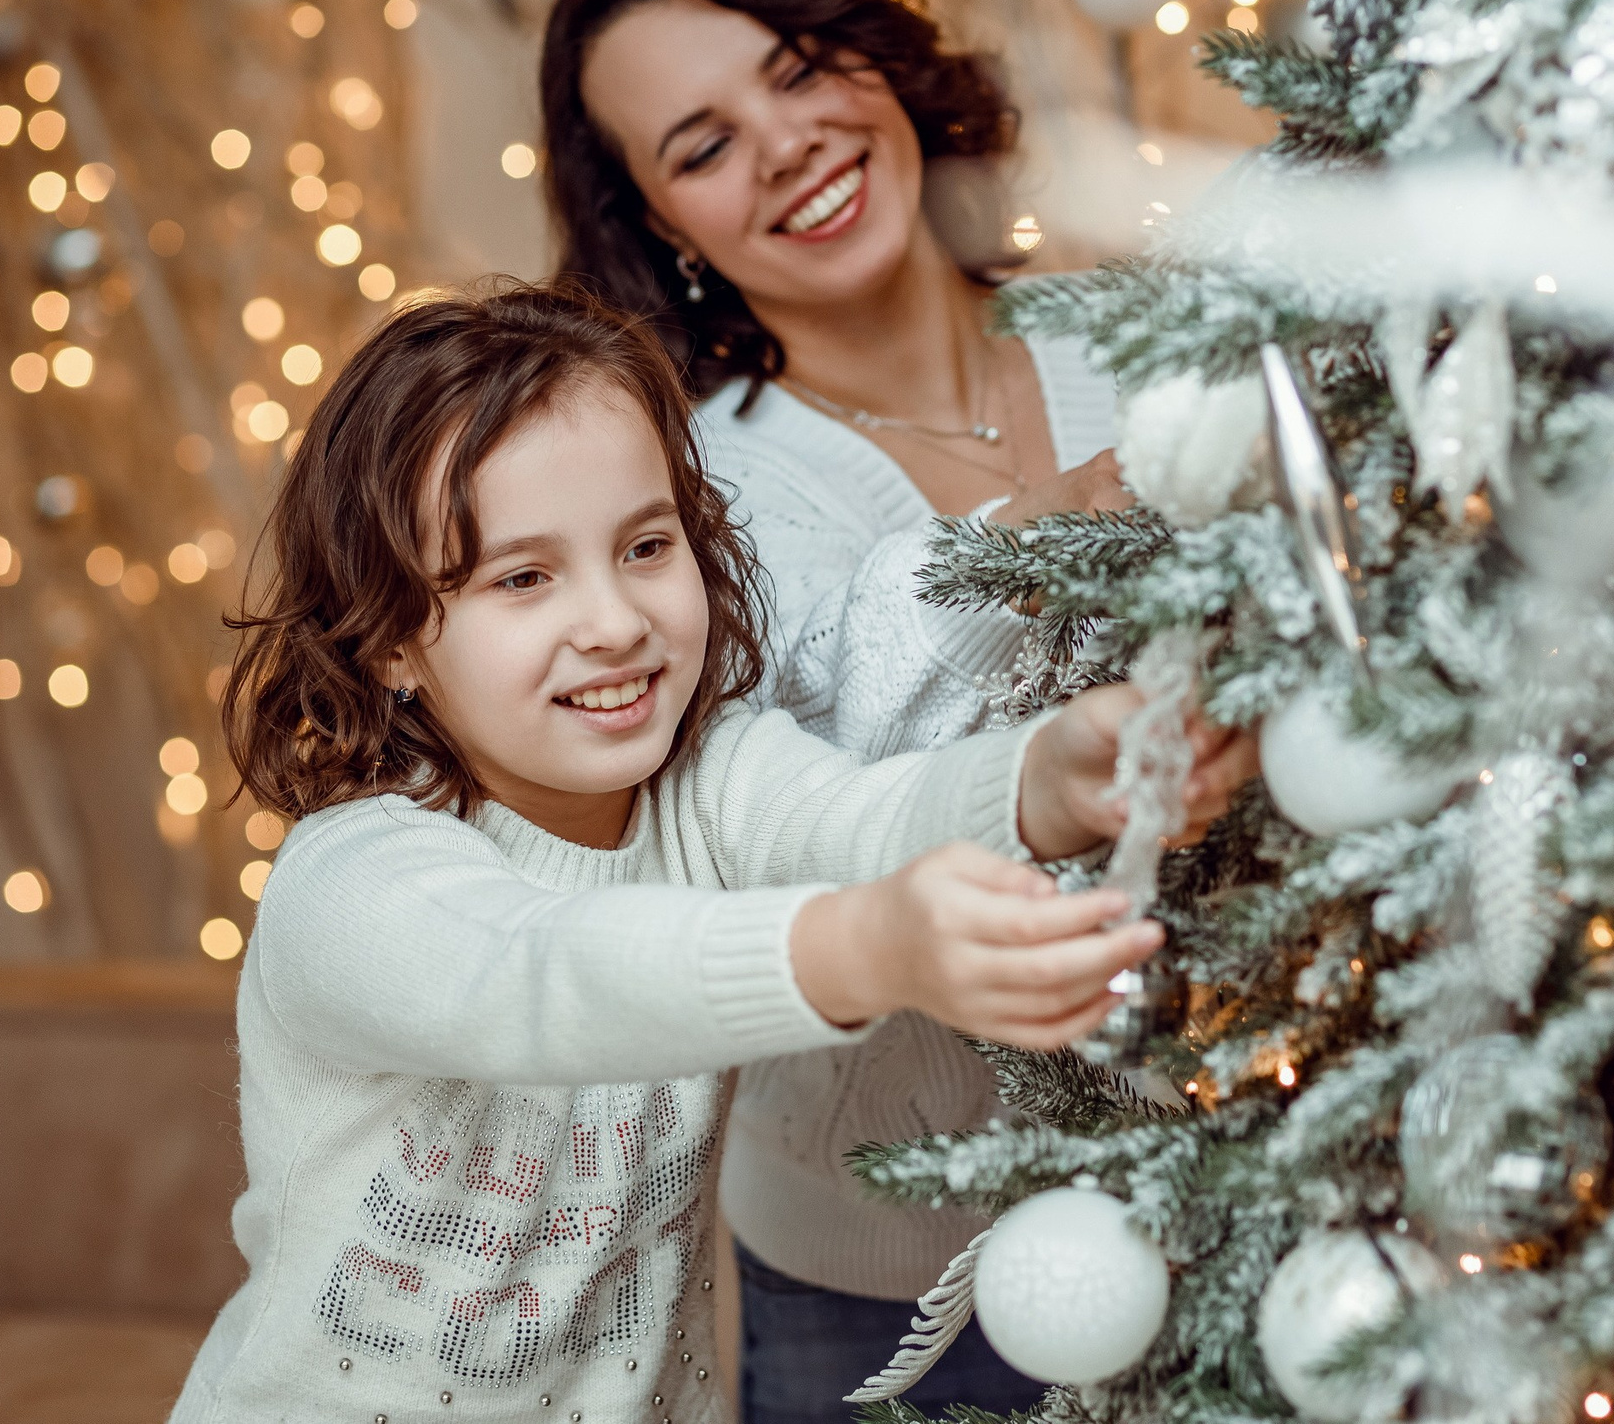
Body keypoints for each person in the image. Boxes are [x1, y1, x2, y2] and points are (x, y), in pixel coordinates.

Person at [171, 283, 1250, 1419]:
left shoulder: (709, 778)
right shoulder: (350, 882)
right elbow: (548, 973)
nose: (616, 621)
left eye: (645, 546)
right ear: (390, 637)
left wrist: (1047, 775)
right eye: (524, 578)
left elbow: (863, 819)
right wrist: (866, 944)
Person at [541, 0, 1131, 1421]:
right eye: (702, 143)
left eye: (803, 66)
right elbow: (846, 745)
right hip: (895, 1281)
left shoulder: (1131, 333)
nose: (789, 143)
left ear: (883, 57)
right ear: (662, 221)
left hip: (1235, 1171)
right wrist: (1132, 494)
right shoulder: (680, 497)